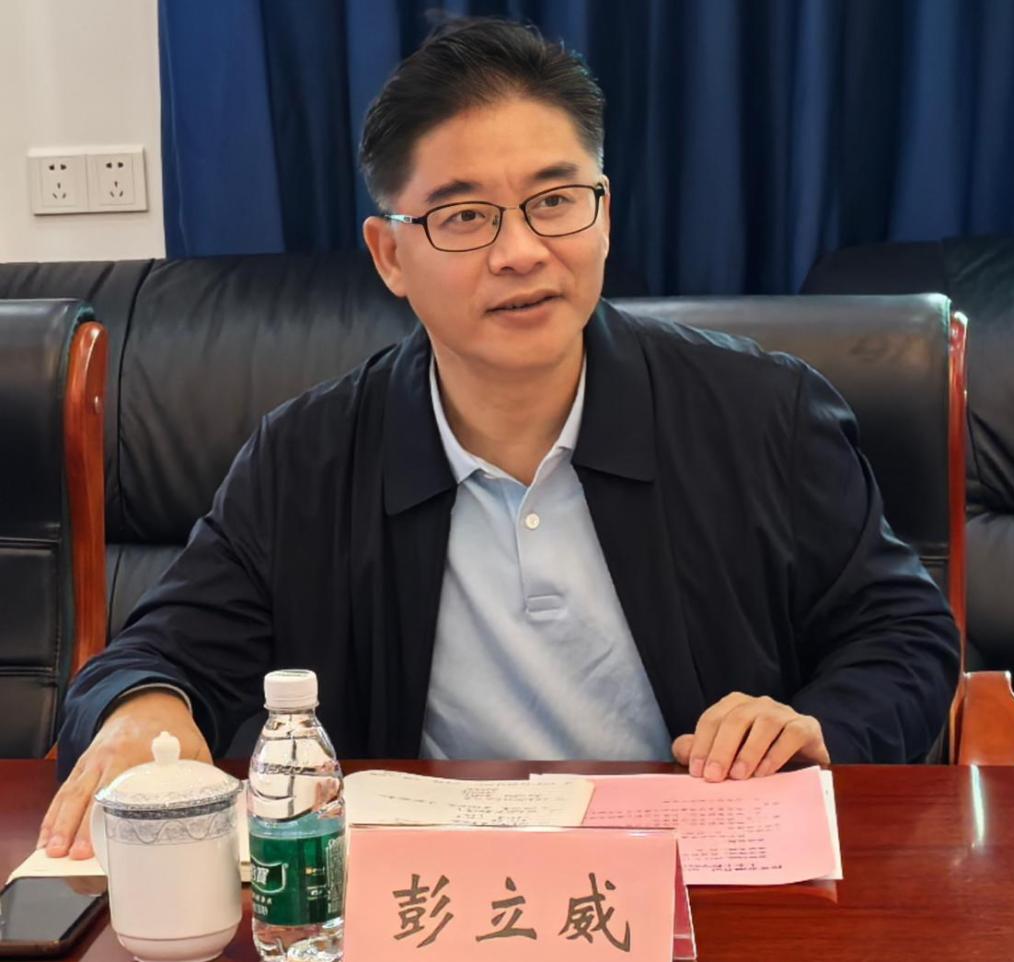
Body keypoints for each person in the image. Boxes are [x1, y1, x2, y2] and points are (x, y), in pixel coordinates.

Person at [39, 17, 959, 861]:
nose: (520, 251)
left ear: (604, 211)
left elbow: (907, 635)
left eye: (556, 200)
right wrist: (141, 712)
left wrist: (816, 728)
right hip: (428, 897)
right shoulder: (307, 460)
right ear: (390, 256)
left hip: (696, 882)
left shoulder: (762, 414)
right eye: (465, 217)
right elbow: (151, 660)